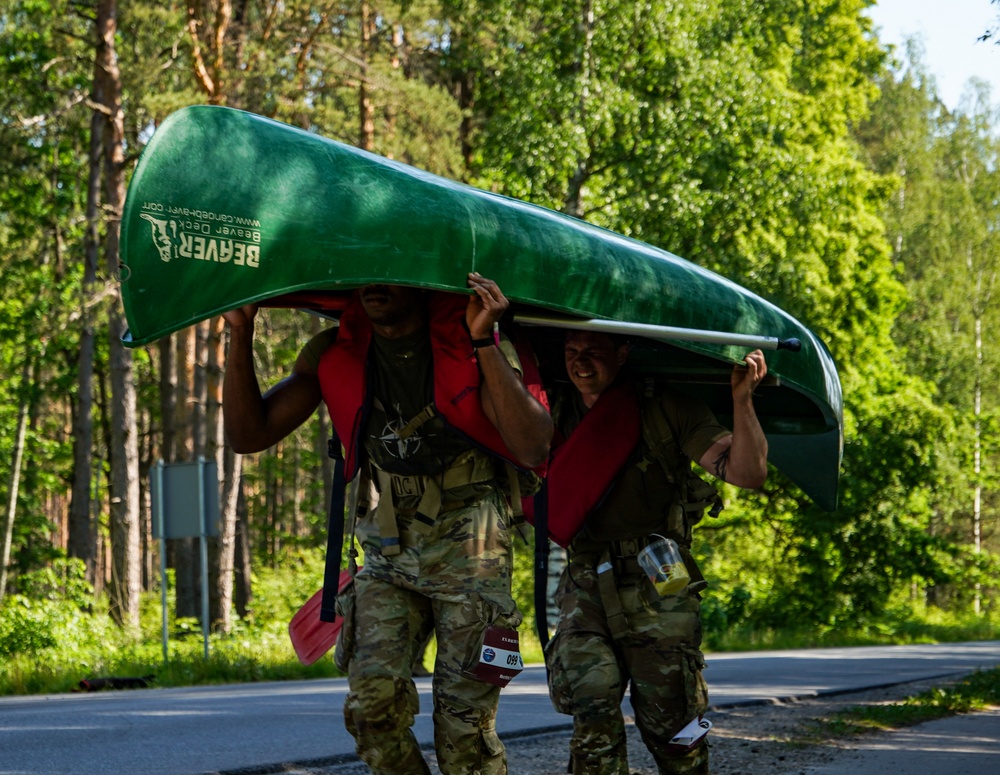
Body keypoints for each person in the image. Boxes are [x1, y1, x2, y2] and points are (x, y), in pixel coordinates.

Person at [221, 274, 553, 775]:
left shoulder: (466, 341)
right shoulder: (334, 352)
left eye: (391, 274)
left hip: (472, 546)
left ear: (421, 281)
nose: (376, 285)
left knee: (465, 734)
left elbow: (533, 446)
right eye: (366, 275)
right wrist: (240, 331)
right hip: (388, 548)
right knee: (371, 712)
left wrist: (485, 338)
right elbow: (249, 434)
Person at [542, 330, 768, 775]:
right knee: (590, 705)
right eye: (571, 351)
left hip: (659, 578)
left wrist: (743, 400)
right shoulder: (551, 410)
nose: (581, 363)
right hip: (585, 580)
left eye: (594, 352)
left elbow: (748, 473)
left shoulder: (667, 408)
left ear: (623, 353)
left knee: (675, 724)